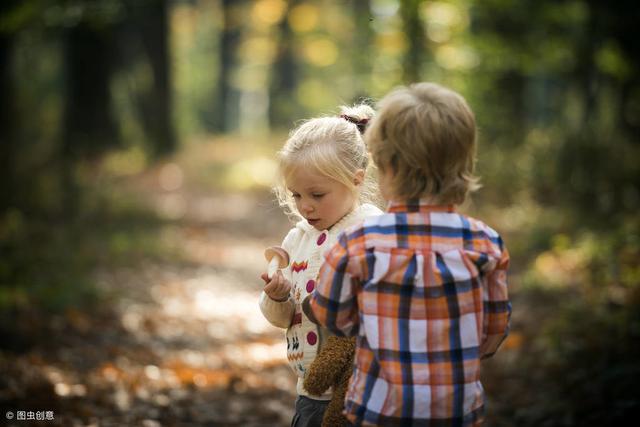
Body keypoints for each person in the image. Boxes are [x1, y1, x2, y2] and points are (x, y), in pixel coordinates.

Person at [306, 82, 511, 426]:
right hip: (456, 413)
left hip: (377, 410)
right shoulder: (485, 244)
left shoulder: (359, 242)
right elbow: (491, 336)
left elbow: (331, 316)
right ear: (463, 162)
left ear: (385, 166)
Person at [259, 104, 384, 427]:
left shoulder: (373, 231)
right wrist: (277, 297)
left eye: (316, 194)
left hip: (365, 387)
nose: (305, 206)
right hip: (310, 389)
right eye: (296, 195)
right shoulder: (296, 240)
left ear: (356, 180)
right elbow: (283, 319)